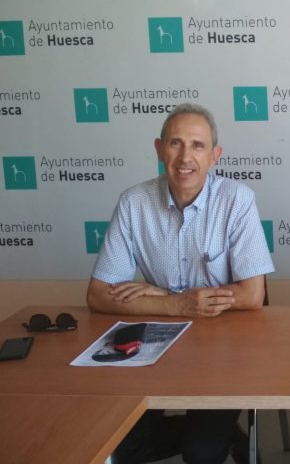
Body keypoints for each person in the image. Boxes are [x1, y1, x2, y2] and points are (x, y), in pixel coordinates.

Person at [87, 103, 274, 464]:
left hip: (224, 345)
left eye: (198, 145)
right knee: (122, 445)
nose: (185, 157)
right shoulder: (133, 203)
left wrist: (166, 296)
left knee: (201, 453)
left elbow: (252, 294)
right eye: (175, 143)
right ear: (159, 149)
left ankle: (219, 436)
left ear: (215, 155)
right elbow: (98, 294)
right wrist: (175, 304)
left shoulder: (237, 199)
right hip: (158, 338)